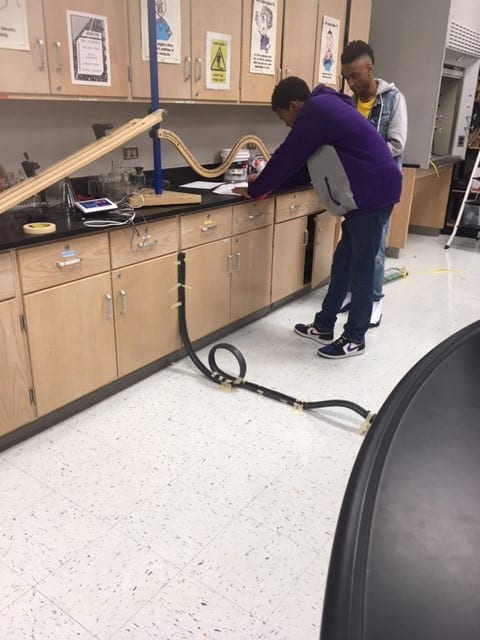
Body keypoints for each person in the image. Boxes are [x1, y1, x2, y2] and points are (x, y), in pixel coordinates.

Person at [233, 77, 402, 359]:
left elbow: (287, 157)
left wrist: (256, 189)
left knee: (361, 269)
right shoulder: (325, 109)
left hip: (373, 195)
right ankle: (324, 325)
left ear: (294, 106)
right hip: (367, 195)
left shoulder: (316, 111)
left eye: (283, 117)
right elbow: (302, 168)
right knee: (343, 263)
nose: (286, 124)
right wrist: (264, 187)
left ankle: (355, 338)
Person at [340, 40, 408, 327]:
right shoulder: (349, 103)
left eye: (355, 75)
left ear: (370, 69)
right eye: (346, 77)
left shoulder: (393, 99)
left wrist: (362, 155)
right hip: (354, 186)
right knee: (353, 242)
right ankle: (356, 294)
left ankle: (374, 300)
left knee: (375, 246)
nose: (350, 82)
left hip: (380, 186)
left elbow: (397, 144)